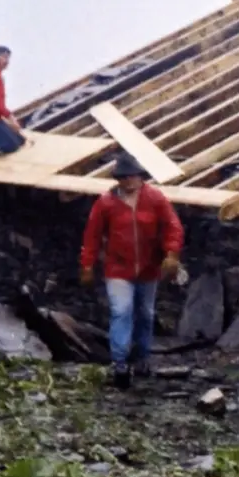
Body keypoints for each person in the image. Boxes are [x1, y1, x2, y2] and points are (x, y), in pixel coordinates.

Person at [79, 153, 184, 389]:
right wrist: (87, 264)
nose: (129, 182)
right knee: (122, 310)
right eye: (124, 178)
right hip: (118, 267)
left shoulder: (155, 198)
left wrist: (172, 253)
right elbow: (92, 236)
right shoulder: (106, 203)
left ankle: (142, 358)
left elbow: (172, 227)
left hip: (148, 267)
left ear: (140, 178)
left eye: (133, 177)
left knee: (145, 313)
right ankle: (120, 362)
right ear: (118, 180)